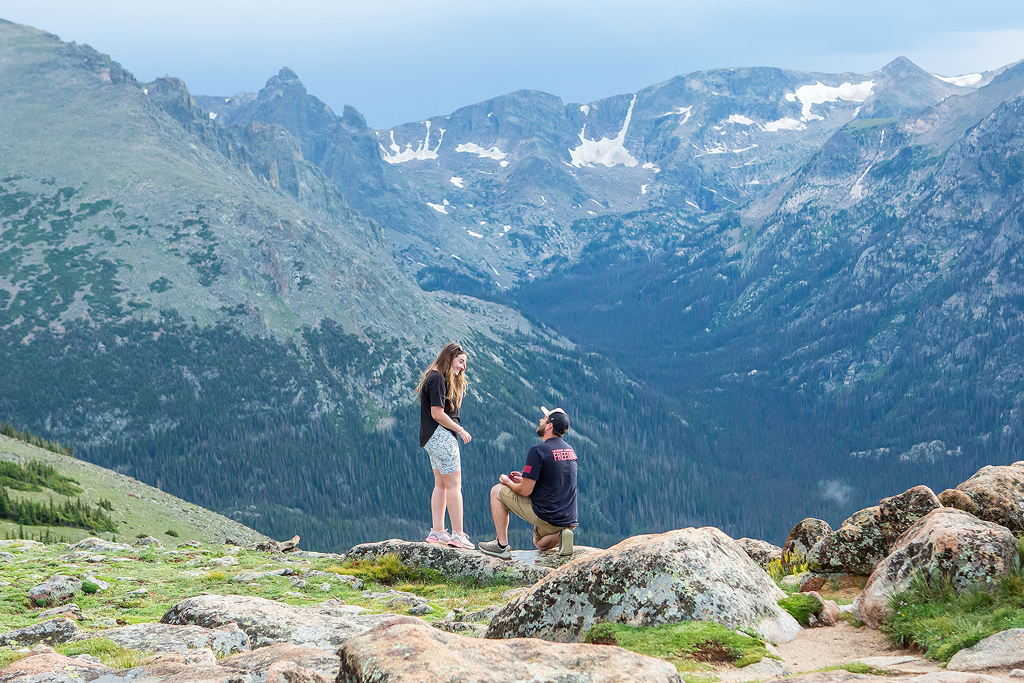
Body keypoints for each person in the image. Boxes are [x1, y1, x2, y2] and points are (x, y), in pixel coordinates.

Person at [479, 406, 577, 559]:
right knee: (539, 543)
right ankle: (562, 533)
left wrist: (507, 482)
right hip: (568, 518)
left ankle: (501, 545)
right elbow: (556, 480)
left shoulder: (538, 450)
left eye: (543, 419)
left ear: (549, 425)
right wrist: (525, 478)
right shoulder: (570, 450)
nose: (540, 420)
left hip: (547, 515)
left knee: (496, 491)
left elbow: (525, 491)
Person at [417, 342, 474, 549]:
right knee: (453, 485)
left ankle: (438, 531)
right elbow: (437, 413)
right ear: (450, 358)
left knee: (440, 483)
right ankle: (458, 534)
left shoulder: (433, 377)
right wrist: (460, 430)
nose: (463, 367)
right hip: (442, 436)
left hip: (430, 437)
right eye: (461, 361)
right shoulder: (439, 379)